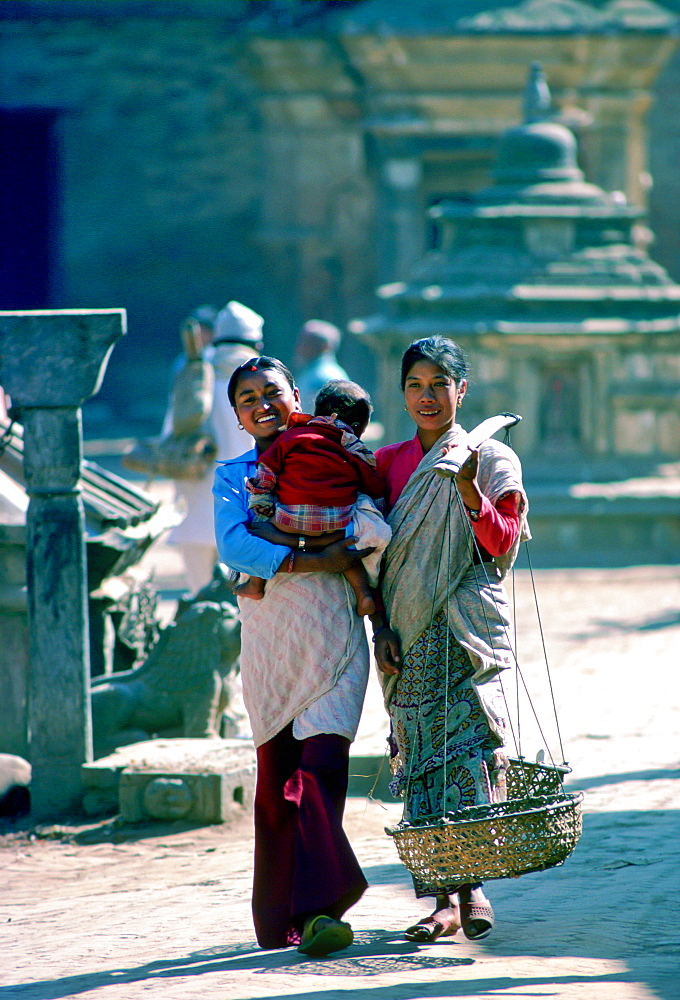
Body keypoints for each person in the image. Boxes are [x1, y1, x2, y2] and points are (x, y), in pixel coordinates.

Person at [213, 355, 377, 956]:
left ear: (296, 396)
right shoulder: (233, 474)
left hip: (333, 631)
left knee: (322, 768)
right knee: (276, 781)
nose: (262, 404)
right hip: (270, 640)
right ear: (236, 414)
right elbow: (234, 543)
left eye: (272, 392)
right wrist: (318, 558)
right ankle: (290, 917)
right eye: (248, 397)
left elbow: (369, 519)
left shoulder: (337, 449)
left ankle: (319, 906)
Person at [371, 336, 529, 944]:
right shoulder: (388, 464)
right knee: (419, 761)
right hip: (405, 635)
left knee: (469, 756)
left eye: (440, 384)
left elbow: (501, 543)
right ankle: (440, 900)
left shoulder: (492, 461)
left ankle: (475, 888)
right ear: (403, 393)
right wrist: (381, 624)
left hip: (465, 633)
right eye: (415, 385)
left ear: (462, 391)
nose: (427, 396)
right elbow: (373, 551)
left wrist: (466, 486)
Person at [236, 378, 390, 616]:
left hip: (288, 520)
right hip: (338, 523)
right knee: (350, 557)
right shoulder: (353, 448)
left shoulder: (290, 437)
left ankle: (255, 584)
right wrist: (379, 511)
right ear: (357, 425)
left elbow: (267, 468)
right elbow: (374, 484)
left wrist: (262, 499)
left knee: (261, 532)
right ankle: (364, 594)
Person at [164, 301, 263, 593]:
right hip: (245, 517)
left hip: (193, 514)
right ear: (256, 342)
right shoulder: (265, 387)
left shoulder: (195, 379)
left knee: (201, 606)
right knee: (244, 610)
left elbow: (170, 439)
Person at [294, 319, 350, 412]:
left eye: (307, 343)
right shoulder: (312, 372)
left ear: (325, 346)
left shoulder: (325, 376)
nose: (299, 348)